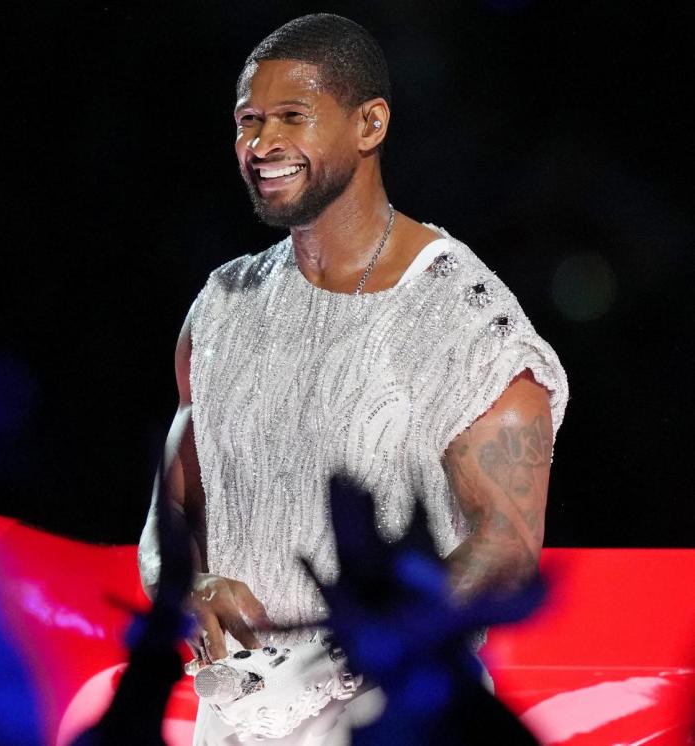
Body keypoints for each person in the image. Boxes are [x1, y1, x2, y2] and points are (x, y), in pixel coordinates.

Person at [136, 13, 569, 744]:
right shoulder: (222, 306)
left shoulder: (463, 319)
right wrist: (190, 590)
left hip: (401, 717)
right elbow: (170, 517)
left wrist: (349, 650)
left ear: (369, 125)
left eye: (291, 118)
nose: (261, 145)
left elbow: (507, 547)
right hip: (236, 724)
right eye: (248, 121)